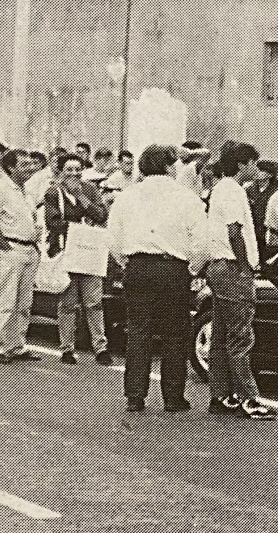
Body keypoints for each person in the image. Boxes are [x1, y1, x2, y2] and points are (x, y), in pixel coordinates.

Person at [108, 145, 207, 412]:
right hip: (173, 269)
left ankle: (134, 396)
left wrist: (127, 262)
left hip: (138, 267)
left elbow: (114, 240)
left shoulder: (127, 197)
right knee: (175, 333)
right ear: (167, 166)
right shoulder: (186, 198)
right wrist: (191, 270)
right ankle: (173, 396)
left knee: (138, 331)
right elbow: (201, 243)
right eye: (174, 164)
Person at [202, 142, 277, 421]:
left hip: (218, 267)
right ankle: (249, 398)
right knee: (241, 337)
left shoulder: (221, 188)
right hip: (232, 269)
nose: (256, 169)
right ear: (243, 164)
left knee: (221, 336)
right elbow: (235, 232)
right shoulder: (233, 191)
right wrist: (246, 267)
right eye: (253, 163)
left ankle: (221, 395)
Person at [45, 154, 111, 365]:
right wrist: (79, 227)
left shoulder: (90, 190)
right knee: (68, 302)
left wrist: (81, 198)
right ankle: (67, 348)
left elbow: (101, 215)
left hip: (89, 252)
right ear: (61, 171)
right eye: (69, 169)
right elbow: (53, 221)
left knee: (94, 301)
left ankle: (100, 347)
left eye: (77, 169)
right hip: (67, 252)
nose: (73, 173)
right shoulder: (53, 192)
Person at [0, 149, 42, 363]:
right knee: (4, 300)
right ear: (11, 167)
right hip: (11, 249)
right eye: (23, 165)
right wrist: (6, 248)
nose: (29, 168)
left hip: (29, 249)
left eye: (30, 164)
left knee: (23, 303)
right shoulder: (0, 189)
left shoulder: (26, 191)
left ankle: (16, 344)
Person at [244, 160, 277, 265]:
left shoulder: (276, 191)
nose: (256, 172)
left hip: (267, 231)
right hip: (251, 228)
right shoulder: (248, 189)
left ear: (269, 174)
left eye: (260, 170)